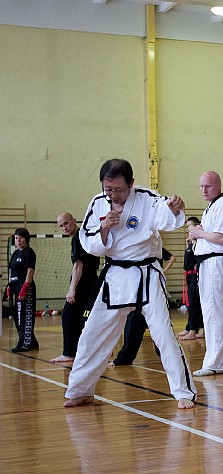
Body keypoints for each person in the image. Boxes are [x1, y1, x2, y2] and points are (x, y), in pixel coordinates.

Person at [63, 158, 195, 409]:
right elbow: (89, 243)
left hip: (147, 272)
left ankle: (183, 392)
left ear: (131, 184)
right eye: (108, 189)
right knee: (92, 333)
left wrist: (174, 208)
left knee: (162, 333)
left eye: (119, 189)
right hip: (115, 274)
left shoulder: (147, 198)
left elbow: (166, 215)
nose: (113, 194)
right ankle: (80, 390)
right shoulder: (97, 203)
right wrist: (104, 228)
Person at [191, 171, 223, 377]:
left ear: (219, 185)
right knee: (219, 311)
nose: (204, 190)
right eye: (201, 186)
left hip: (216, 262)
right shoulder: (211, 207)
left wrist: (200, 233)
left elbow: (222, 238)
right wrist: (199, 235)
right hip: (208, 262)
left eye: (208, 186)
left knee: (213, 311)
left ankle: (214, 363)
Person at [107, 245, 175, 367]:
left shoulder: (153, 246)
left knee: (159, 326)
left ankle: (169, 355)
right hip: (138, 289)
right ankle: (125, 357)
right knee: (136, 324)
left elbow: (172, 258)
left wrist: (163, 271)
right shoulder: (138, 246)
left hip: (151, 288)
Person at [51, 212, 100, 365]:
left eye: (66, 223)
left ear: (74, 221)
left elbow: (78, 265)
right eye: (61, 226)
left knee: (68, 315)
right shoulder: (83, 236)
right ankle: (92, 350)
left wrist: (72, 289)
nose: (64, 227)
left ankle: (69, 353)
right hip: (91, 282)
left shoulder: (79, 237)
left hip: (85, 283)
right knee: (87, 318)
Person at [7, 227, 38, 353]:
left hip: (25, 288)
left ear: (26, 240)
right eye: (16, 238)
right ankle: (32, 341)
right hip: (15, 287)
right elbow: (11, 271)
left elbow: (30, 272)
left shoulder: (29, 253)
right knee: (17, 315)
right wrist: (9, 286)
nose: (18, 240)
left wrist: (25, 287)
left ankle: (24, 343)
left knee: (24, 316)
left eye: (21, 238)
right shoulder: (15, 254)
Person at [178, 216, 204, 340]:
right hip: (190, 275)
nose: (188, 228)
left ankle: (194, 330)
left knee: (194, 302)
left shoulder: (199, 243)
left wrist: (193, 243)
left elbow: (198, 258)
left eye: (190, 225)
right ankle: (191, 327)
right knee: (192, 303)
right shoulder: (191, 243)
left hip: (196, 275)